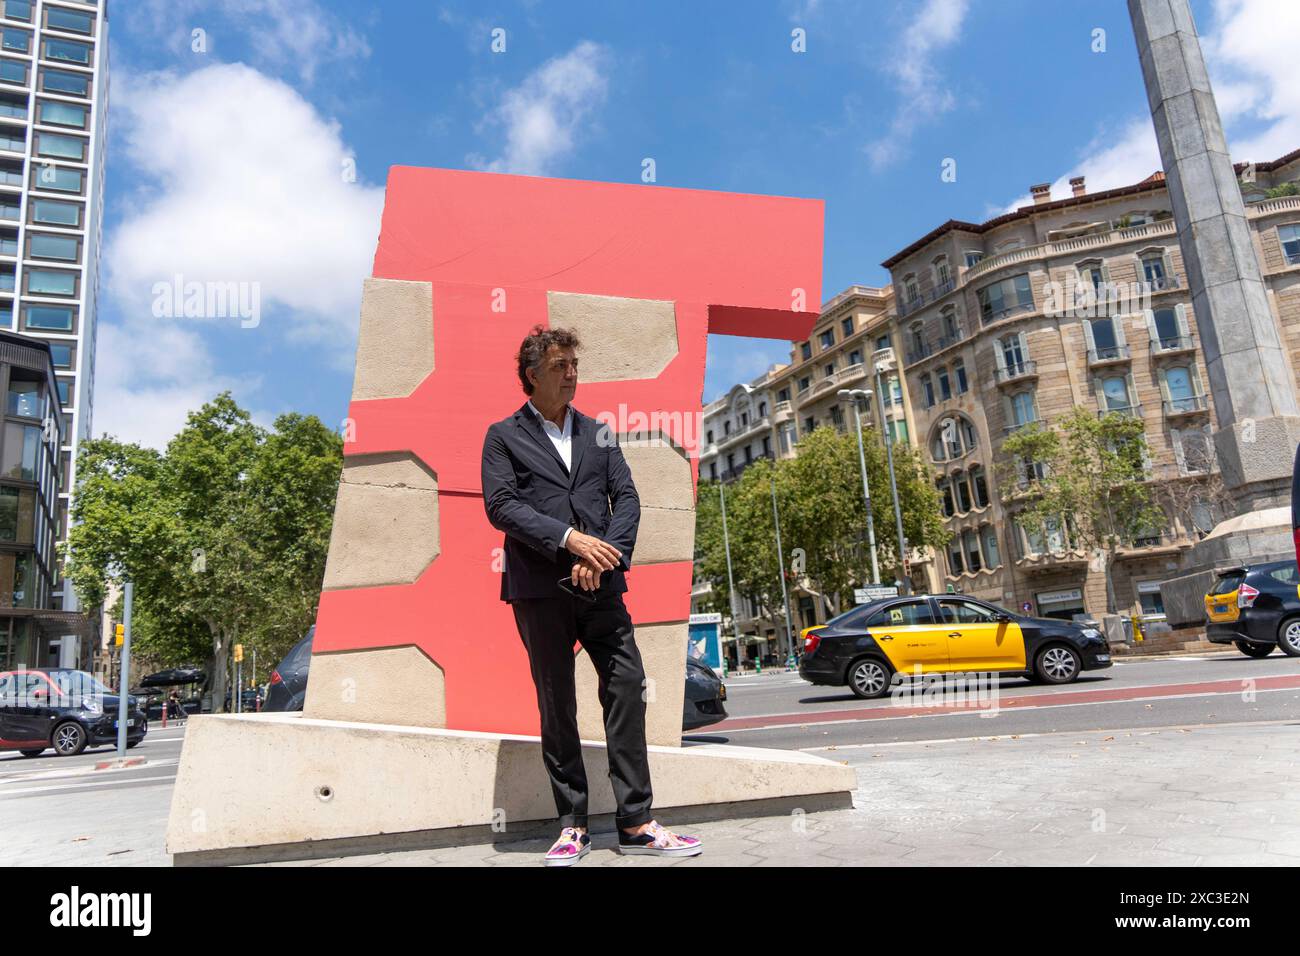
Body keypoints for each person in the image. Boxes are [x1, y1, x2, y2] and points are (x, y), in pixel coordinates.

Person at [480, 324, 703, 867]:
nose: (572, 374)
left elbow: (626, 499)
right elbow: (502, 506)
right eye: (560, 366)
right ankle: (572, 824)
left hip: (600, 586)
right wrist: (569, 541)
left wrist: (603, 554)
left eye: (575, 364)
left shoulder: (599, 433)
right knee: (557, 700)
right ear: (532, 375)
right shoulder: (502, 436)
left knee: (626, 683)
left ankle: (637, 820)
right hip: (539, 588)